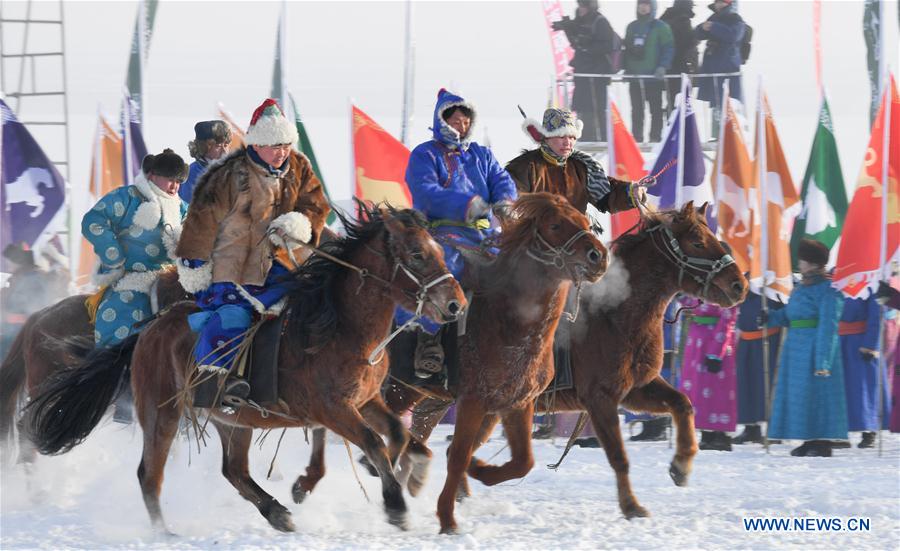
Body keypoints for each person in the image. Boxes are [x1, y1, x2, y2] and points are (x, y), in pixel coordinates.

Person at [176, 99, 330, 405]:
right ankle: (219, 381)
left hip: (287, 263)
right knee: (234, 315)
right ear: (257, 143)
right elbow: (201, 220)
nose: (282, 151)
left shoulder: (300, 166)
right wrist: (194, 264)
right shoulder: (229, 173)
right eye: (274, 144)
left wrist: (300, 223)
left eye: (285, 144)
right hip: (235, 267)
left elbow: (315, 204)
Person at [401, 89, 518, 379]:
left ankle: (516, 340)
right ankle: (428, 340)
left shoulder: (481, 154)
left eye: (465, 121)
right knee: (445, 273)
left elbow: (501, 180)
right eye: (454, 120)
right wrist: (466, 205)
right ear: (441, 120)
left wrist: (504, 202)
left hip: (485, 236)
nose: (460, 126)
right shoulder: (425, 154)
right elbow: (426, 191)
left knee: (519, 270)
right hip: (444, 232)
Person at [82, 148, 188, 348]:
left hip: (171, 282)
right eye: (170, 179)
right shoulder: (128, 197)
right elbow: (93, 221)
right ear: (152, 175)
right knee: (124, 312)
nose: (174, 186)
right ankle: (113, 369)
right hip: (131, 280)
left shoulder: (183, 208)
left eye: (179, 181)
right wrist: (113, 255)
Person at [766, 239, 848, 457]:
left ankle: (822, 441)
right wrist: (770, 317)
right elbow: (789, 315)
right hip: (795, 350)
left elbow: (828, 326)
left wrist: (823, 360)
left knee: (818, 395)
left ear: (812, 263)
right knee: (801, 396)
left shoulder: (829, 290)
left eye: (802, 259)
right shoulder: (800, 288)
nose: (799, 263)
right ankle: (808, 438)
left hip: (815, 348)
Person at [506, 107, 645, 215]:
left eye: (572, 137)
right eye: (561, 136)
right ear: (545, 137)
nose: (567, 142)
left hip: (577, 241)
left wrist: (630, 192)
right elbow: (512, 205)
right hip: (537, 243)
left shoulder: (583, 166)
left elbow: (607, 196)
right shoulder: (524, 167)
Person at [552, 0, 618, 141]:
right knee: (582, 106)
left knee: (598, 107)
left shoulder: (600, 22)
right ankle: (585, 135)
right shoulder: (579, 22)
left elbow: (607, 45)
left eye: (584, 6)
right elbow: (576, 43)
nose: (581, 9)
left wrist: (589, 47)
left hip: (597, 73)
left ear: (591, 6)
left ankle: (601, 136)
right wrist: (567, 28)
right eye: (580, 5)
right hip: (582, 72)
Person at [679, 301, 738, 451]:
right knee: (698, 390)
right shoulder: (703, 286)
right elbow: (693, 303)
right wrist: (681, 296)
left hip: (714, 342)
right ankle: (707, 434)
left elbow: (727, 320)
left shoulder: (727, 288)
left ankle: (721, 435)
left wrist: (716, 352)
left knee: (717, 390)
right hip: (696, 343)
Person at [0, 242, 69, 358]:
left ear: (19, 263)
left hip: (23, 336)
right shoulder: (19, 278)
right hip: (14, 334)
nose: (8, 267)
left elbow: (36, 311)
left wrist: (7, 316)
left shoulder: (33, 280)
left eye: (10, 263)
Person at [733, 285, 783, 444]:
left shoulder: (773, 283)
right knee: (747, 385)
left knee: (767, 386)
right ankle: (751, 428)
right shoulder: (741, 283)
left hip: (768, 340)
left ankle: (773, 429)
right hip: (746, 340)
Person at [841, 295, 890, 447]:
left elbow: (877, 315)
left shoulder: (872, 284)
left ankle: (870, 431)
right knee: (843, 389)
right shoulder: (837, 281)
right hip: (840, 341)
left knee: (866, 388)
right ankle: (841, 432)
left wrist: (871, 344)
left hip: (862, 341)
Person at [623, 0, 674, 143]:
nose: (643, 7)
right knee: (636, 111)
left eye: (646, 4)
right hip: (635, 77)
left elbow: (668, 48)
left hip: (653, 78)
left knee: (656, 111)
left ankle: (655, 138)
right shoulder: (631, 27)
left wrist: (663, 66)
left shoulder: (661, 27)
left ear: (652, 7)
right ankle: (637, 140)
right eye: (641, 4)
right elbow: (626, 49)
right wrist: (625, 68)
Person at [694, 0, 745, 137]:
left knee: (729, 104)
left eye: (722, 2)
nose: (718, 4)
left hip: (728, 68)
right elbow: (698, 34)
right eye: (717, 2)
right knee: (716, 104)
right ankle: (717, 136)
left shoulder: (736, 19)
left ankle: (731, 136)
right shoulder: (713, 18)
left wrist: (713, 27)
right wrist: (702, 28)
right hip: (713, 69)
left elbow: (733, 36)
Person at [659, 0, 699, 114]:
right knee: (679, 102)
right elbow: (685, 45)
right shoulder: (683, 20)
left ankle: (671, 126)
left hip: (667, 66)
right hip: (680, 66)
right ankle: (677, 128)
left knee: (672, 101)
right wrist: (694, 39)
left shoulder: (664, 19)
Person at [179, 120, 233, 203]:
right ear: (203, 147)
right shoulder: (191, 174)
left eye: (226, 145)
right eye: (218, 146)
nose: (224, 151)